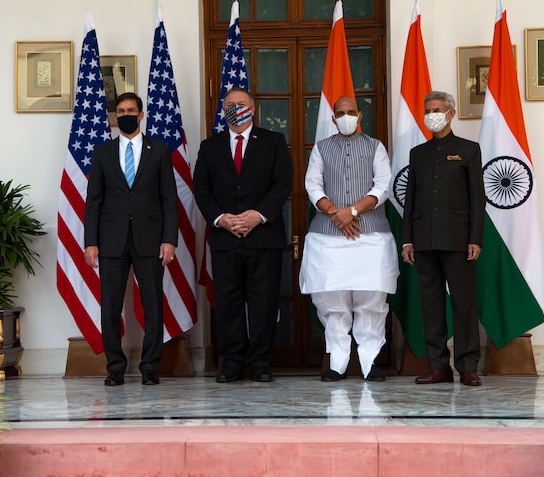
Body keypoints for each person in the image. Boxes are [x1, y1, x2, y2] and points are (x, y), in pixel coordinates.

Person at [193, 87, 293, 383]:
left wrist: (257, 215)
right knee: (228, 302)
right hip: (225, 238)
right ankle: (233, 362)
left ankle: (260, 362)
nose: (235, 108)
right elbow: (202, 189)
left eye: (240, 104)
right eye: (229, 105)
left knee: (264, 303)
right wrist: (221, 218)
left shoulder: (273, 141)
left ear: (253, 108)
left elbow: (282, 183)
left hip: (264, 237)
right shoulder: (210, 146)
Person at [300, 96, 398, 382]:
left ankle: (369, 362)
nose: (345, 117)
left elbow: (383, 185)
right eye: (340, 113)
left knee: (371, 301)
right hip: (328, 237)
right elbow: (312, 184)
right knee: (333, 303)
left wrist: (352, 211)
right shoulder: (321, 148)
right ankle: (338, 363)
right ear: (333, 119)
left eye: (350, 112)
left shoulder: (375, 146)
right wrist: (334, 212)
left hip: (371, 235)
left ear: (360, 115)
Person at [84, 92, 178, 387]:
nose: (125, 115)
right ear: (115, 117)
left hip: (150, 239)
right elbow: (94, 201)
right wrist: (91, 242)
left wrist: (169, 240)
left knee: (153, 305)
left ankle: (150, 366)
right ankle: (115, 367)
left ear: (140, 115)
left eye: (130, 110)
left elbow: (169, 200)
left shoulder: (159, 150)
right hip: (110, 240)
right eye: (120, 111)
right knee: (110, 307)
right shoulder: (102, 152)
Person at [401, 90, 486, 387]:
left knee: (464, 305)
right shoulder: (418, 153)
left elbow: (478, 199)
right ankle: (438, 366)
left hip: (459, 240)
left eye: (437, 109)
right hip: (424, 241)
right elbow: (410, 200)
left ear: (450, 114)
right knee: (431, 306)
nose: (431, 115)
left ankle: (468, 366)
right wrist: (407, 240)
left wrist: (475, 238)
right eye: (428, 110)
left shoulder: (468, 149)